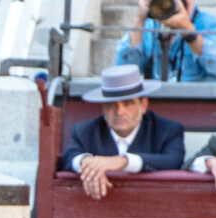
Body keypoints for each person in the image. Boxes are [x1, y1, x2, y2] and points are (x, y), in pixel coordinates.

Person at [58, 64, 185, 200]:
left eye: (128, 103)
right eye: (111, 104)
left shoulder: (167, 130)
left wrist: (123, 161)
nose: (119, 111)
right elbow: (69, 157)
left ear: (143, 105)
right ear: (103, 107)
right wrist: (88, 163)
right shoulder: (85, 131)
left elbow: (173, 160)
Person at [115, 0, 216, 82]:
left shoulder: (210, 24)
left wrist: (189, 32)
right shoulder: (148, 28)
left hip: (195, 103)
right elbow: (122, 74)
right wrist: (139, 21)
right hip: (155, 103)